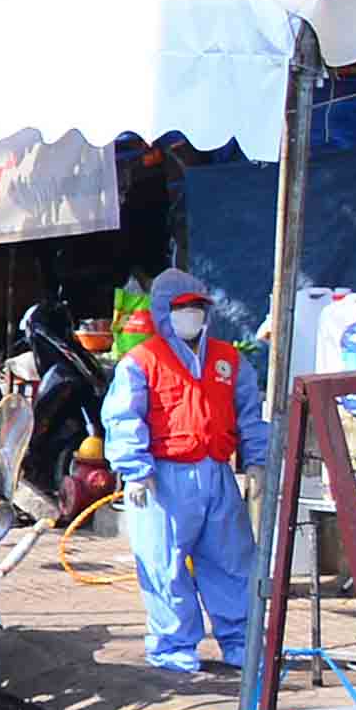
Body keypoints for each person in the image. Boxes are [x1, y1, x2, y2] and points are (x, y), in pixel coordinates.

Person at [102, 266, 266, 678]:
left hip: (217, 475)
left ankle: (242, 644)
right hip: (162, 478)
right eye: (181, 307)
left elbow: (250, 415)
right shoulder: (142, 361)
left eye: (197, 307)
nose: (191, 314)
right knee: (164, 565)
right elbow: (124, 417)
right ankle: (173, 646)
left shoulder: (230, 360)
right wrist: (135, 470)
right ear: (163, 311)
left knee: (233, 563)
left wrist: (258, 461)